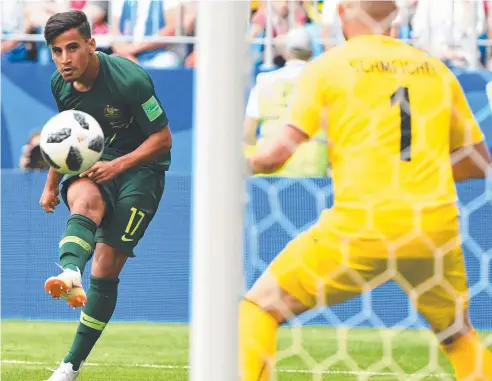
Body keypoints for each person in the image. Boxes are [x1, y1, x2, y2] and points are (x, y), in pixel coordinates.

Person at [240, 1, 492, 381]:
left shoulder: (329, 67)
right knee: (458, 337)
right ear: (395, 19)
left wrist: (230, 160)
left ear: (341, 13)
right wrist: (416, 170)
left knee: (258, 308)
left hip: (362, 225)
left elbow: (274, 156)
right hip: (434, 226)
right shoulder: (437, 71)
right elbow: (479, 162)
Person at [39, 10, 172, 381]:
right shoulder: (60, 85)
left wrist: (118, 166)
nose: (65, 59)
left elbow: (163, 140)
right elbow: (66, 136)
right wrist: (51, 183)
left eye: (72, 48)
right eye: (56, 51)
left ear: (91, 45)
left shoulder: (130, 79)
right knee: (84, 199)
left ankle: (72, 364)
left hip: (142, 171)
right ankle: (69, 271)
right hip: (99, 161)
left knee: (106, 266)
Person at [244, 27, 329, 177]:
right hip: (312, 173)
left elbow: (248, 133)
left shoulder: (264, 82)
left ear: (286, 53)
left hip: (268, 171)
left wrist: (250, 165)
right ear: (310, 54)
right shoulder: (323, 83)